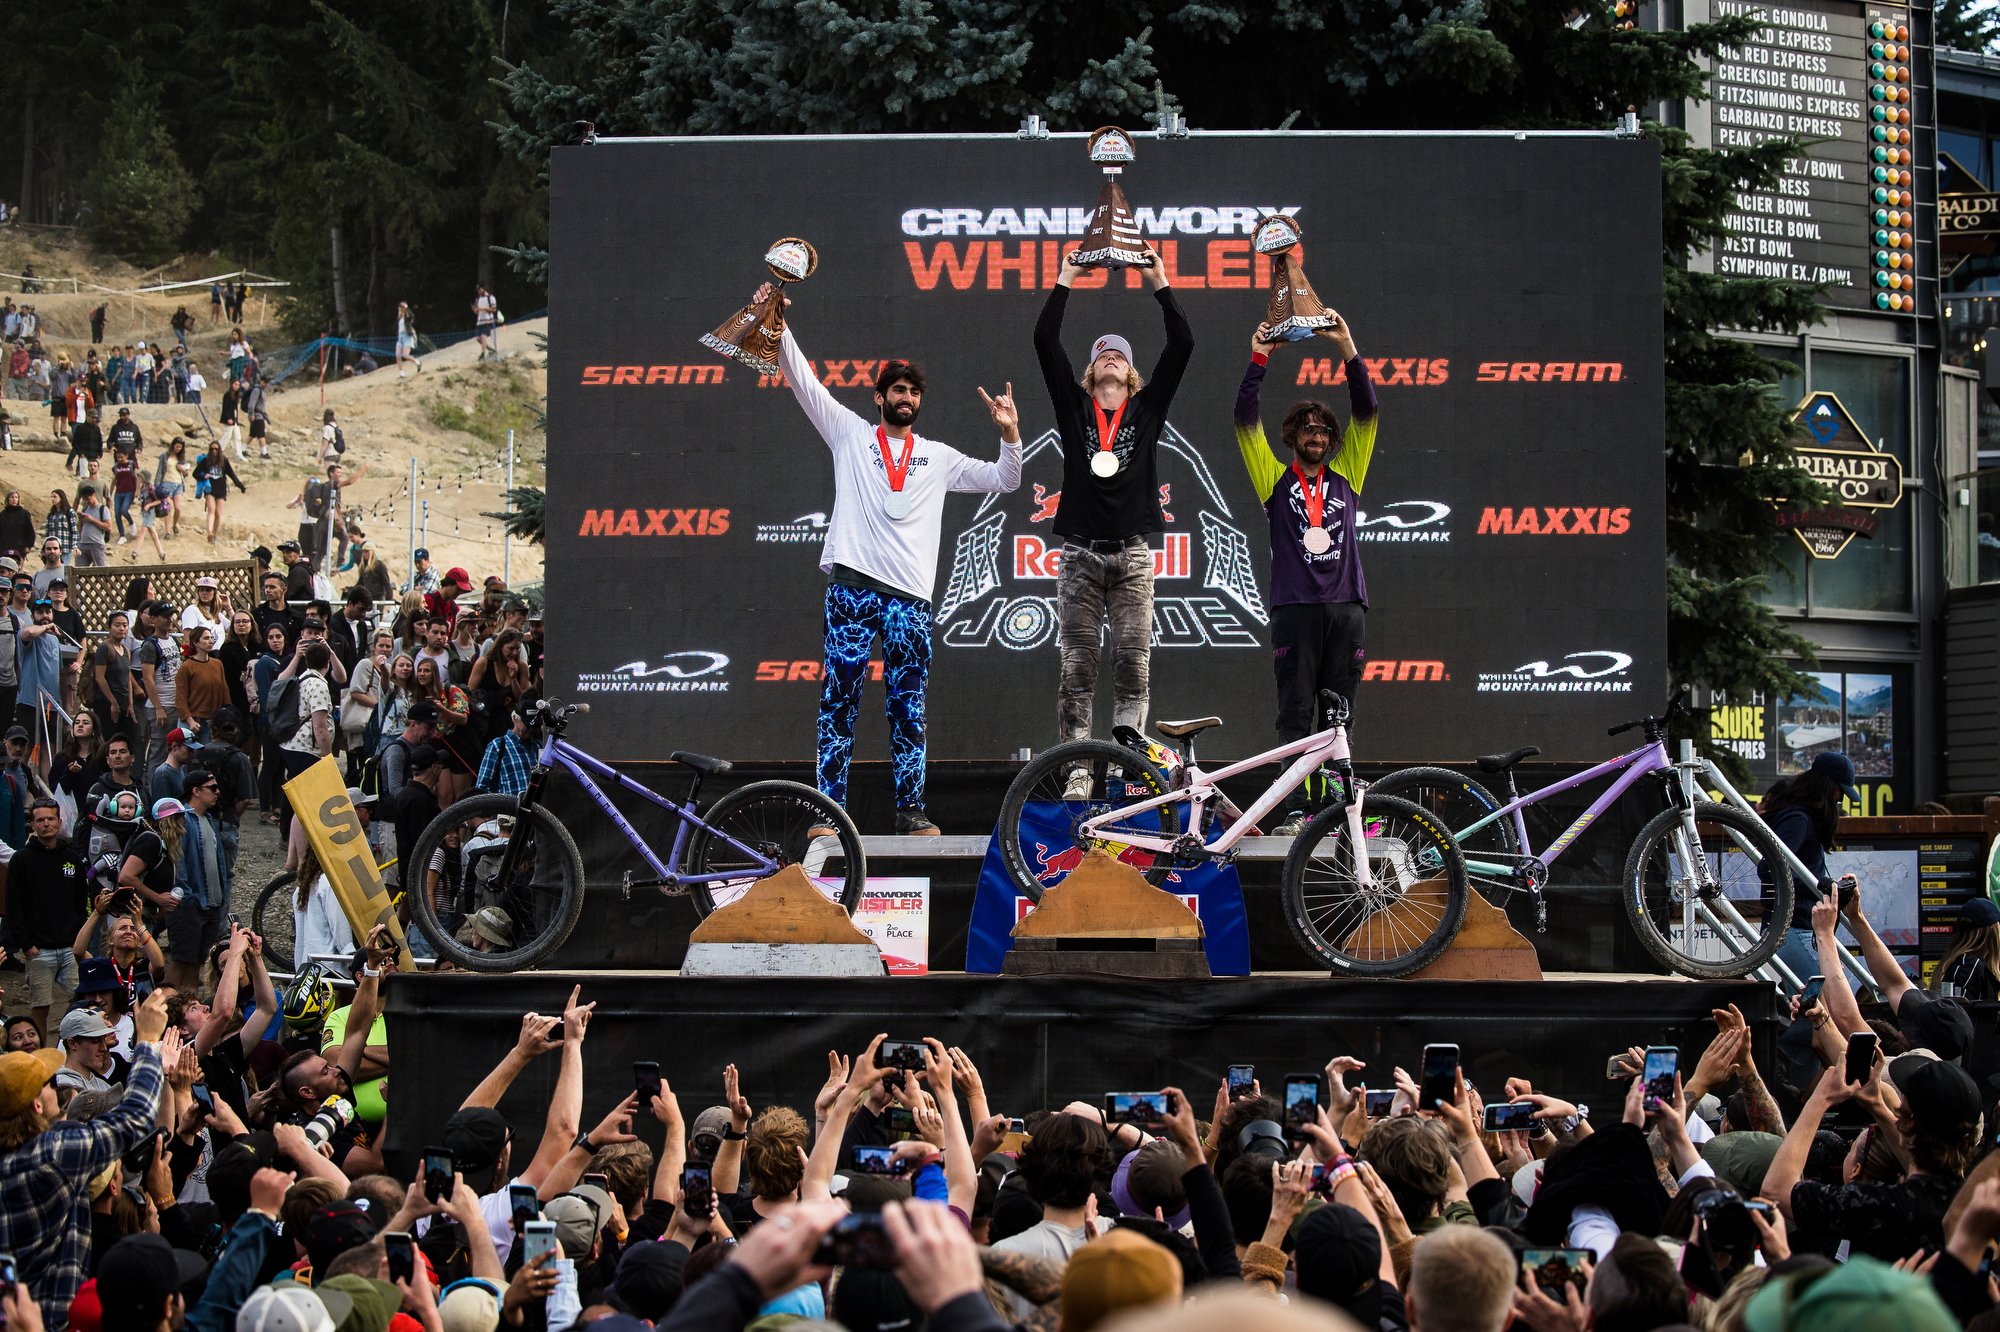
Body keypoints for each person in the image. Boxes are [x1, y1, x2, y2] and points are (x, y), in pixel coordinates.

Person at [768, 287, 1022, 836]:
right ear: (878, 398)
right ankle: (827, 815)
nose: (906, 397)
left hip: (909, 601)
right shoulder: (849, 435)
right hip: (853, 589)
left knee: (909, 709)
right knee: (839, 702)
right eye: (896, 389)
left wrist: (1010, 434)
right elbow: (804, 384)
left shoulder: (939, 457)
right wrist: (780, 325)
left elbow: (1006, 480)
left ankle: (911, 812)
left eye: (913, 391)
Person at [1035, 243, 1191, 789]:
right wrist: (1065, 277)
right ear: (1088, 372)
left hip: (1132, 555)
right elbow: (1044, 340)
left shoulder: (1147, 412)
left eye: (1120, 355)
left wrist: (1160, 280)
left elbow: (1183, 343)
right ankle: (1075, 771)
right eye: (1102, 352)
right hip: (1079, 553)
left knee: (1133, 666)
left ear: (1133, 376)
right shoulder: (1073, 409)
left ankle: (1128, 771)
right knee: (1077, 669)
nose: (1110, 357)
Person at [1234, 318, 1379, 832]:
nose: (1316, 435)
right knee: (1296, 715)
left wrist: (1346, 346)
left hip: (1346, 608)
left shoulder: (1349, 476)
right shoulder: (1273, 478)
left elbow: (1367, 412)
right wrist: (1259, 359)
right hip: (1294, 609)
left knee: (1339, 717)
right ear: (1291, 437)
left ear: (1333, 440)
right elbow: (1244, 420)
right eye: (1306, 429)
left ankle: (1339, 815)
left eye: (1323, 430)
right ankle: (1296, 813)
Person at [0, 992, 177, 1321]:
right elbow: (135, 1118)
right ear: (37, 1106)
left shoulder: (16, 1157)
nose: (55, 1087)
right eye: (47, 1085)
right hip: (50, 1320)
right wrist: (149, 1041)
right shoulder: (50, 1155)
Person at [1764, 751, 1862, 990]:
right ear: (1828, 787)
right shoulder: (1798, 818)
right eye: (1840, 792)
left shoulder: (1803, 817)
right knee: (1831, 997)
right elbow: (1769, 868)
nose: (1840, 801)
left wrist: (1826, 886)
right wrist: (1820, 885)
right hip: (1792, 926)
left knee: (1808, 1010)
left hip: (1797, 926)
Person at [277, 642, 335, 841]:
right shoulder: (319, 685)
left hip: (290, 744)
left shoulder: (302, 678)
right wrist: (328, 757)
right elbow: (320, 726)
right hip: (306, 748)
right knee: (304, 799)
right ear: (327, 663)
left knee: (293, 793)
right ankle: (294, 838)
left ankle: (287, 835)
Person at [138, 603, 183, 782]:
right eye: (165, 616)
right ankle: (155, 790)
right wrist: (158, 708)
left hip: (176, 703)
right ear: (154, 619)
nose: (170, 620)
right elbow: (147, 678)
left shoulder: (172, 640)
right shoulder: (150, 645)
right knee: (158, 750)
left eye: (171, 616)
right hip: (162, 704)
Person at [390, 744, 443, 884]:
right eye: (439, 764)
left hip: (409, 868)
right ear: (433, 768)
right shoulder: (419, 799)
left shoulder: (406, 794)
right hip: (421, 873)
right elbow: (422, 840)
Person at [90, 609, 135, 751]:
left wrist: (130, 703)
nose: (121, 628)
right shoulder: (104, 648)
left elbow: (128, 677)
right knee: (107, 742)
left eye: (124, 625)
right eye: (117, 625)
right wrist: (113, 702)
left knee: (125, 741)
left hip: (124, 702)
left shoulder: (126, 650)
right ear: (109, 627)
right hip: (107, 703)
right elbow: (99, 677)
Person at [14, 597, 60, 735]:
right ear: (32, 616)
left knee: (50, 745)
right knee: (28, 744)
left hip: (52, 703)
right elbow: (28, 633)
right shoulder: (27, 634)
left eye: (48, 612)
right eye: (40, 612)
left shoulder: (54, 639)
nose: (45, 615)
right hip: (30, 701)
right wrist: (46, 626)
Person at [175, 626, 229, 741]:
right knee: (188, 755)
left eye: (211, 638)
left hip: (211, 721)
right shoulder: (187, 667)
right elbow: (180, 698)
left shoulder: (217, 664)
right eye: (206, 638)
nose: (211, 641)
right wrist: (190, 721)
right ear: (196, 643)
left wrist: (226, 715)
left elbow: (224, 693)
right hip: (191, 721)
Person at [476, 701, 536, 799]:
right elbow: (482, 785)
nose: (532, 729)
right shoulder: (499, 745)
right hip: (509, 809)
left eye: (535, 725)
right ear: (514, 719)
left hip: (537, 809)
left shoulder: (538, 746)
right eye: (528, 725)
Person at [192, 446, 243, 546]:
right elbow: (195, 473)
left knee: (218, 513)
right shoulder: (206, 460)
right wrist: (204, 476)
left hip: (221, 490)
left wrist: (241, 486)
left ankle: (214, 535)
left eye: (216, 449)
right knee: (211, 509)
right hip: (209, 489)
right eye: (212, 449)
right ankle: (209, 532)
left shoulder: (224, 461)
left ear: (219, 450)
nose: (214, 451)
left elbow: (232, 475)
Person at [72, 484, 110, 567]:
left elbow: (108, 527)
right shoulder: (85, 509)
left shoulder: (103, 509)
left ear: (93, 495)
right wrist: (80, 520)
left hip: (96, 544)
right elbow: (80, 529)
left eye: (88, 499)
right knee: (79, 571)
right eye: (84, 499)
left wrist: (92, 519)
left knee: (100, 571)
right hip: (83, 544)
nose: (86, 501)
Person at [396, 302, 423, 376]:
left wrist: (407, 309)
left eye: (403, 307)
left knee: (405, 355)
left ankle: (418, 363)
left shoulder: (407, 317)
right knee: (398, 356)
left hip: (407, 336)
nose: (401, 309)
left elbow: (411, 316)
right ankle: (401, 373)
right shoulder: (399, 318)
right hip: (400, 337)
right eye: (400, 307)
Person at [473, 285, 497, 359]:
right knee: (478, 338)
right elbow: (477, 312)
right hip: (480, 321)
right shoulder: (478, 299)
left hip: (488, 320)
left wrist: (483, 308)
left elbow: (494, 309)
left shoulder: (490, 298)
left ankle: (483, 353)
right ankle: (490, 349)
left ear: (483, 289)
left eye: (479, 289)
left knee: (483, 336)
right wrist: (476, 310)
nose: (478, 291)